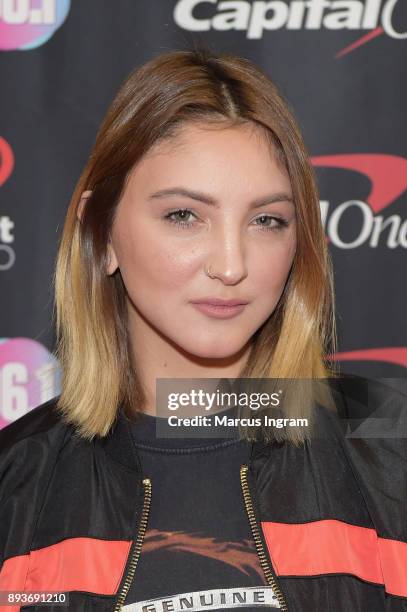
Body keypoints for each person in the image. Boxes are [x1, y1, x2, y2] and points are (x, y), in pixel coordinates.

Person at [0, 49, 406, 612]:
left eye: (267, 220)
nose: (232, 264)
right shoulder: (16, 479)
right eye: (184, 216)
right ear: (103, 233)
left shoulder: (392, 443)